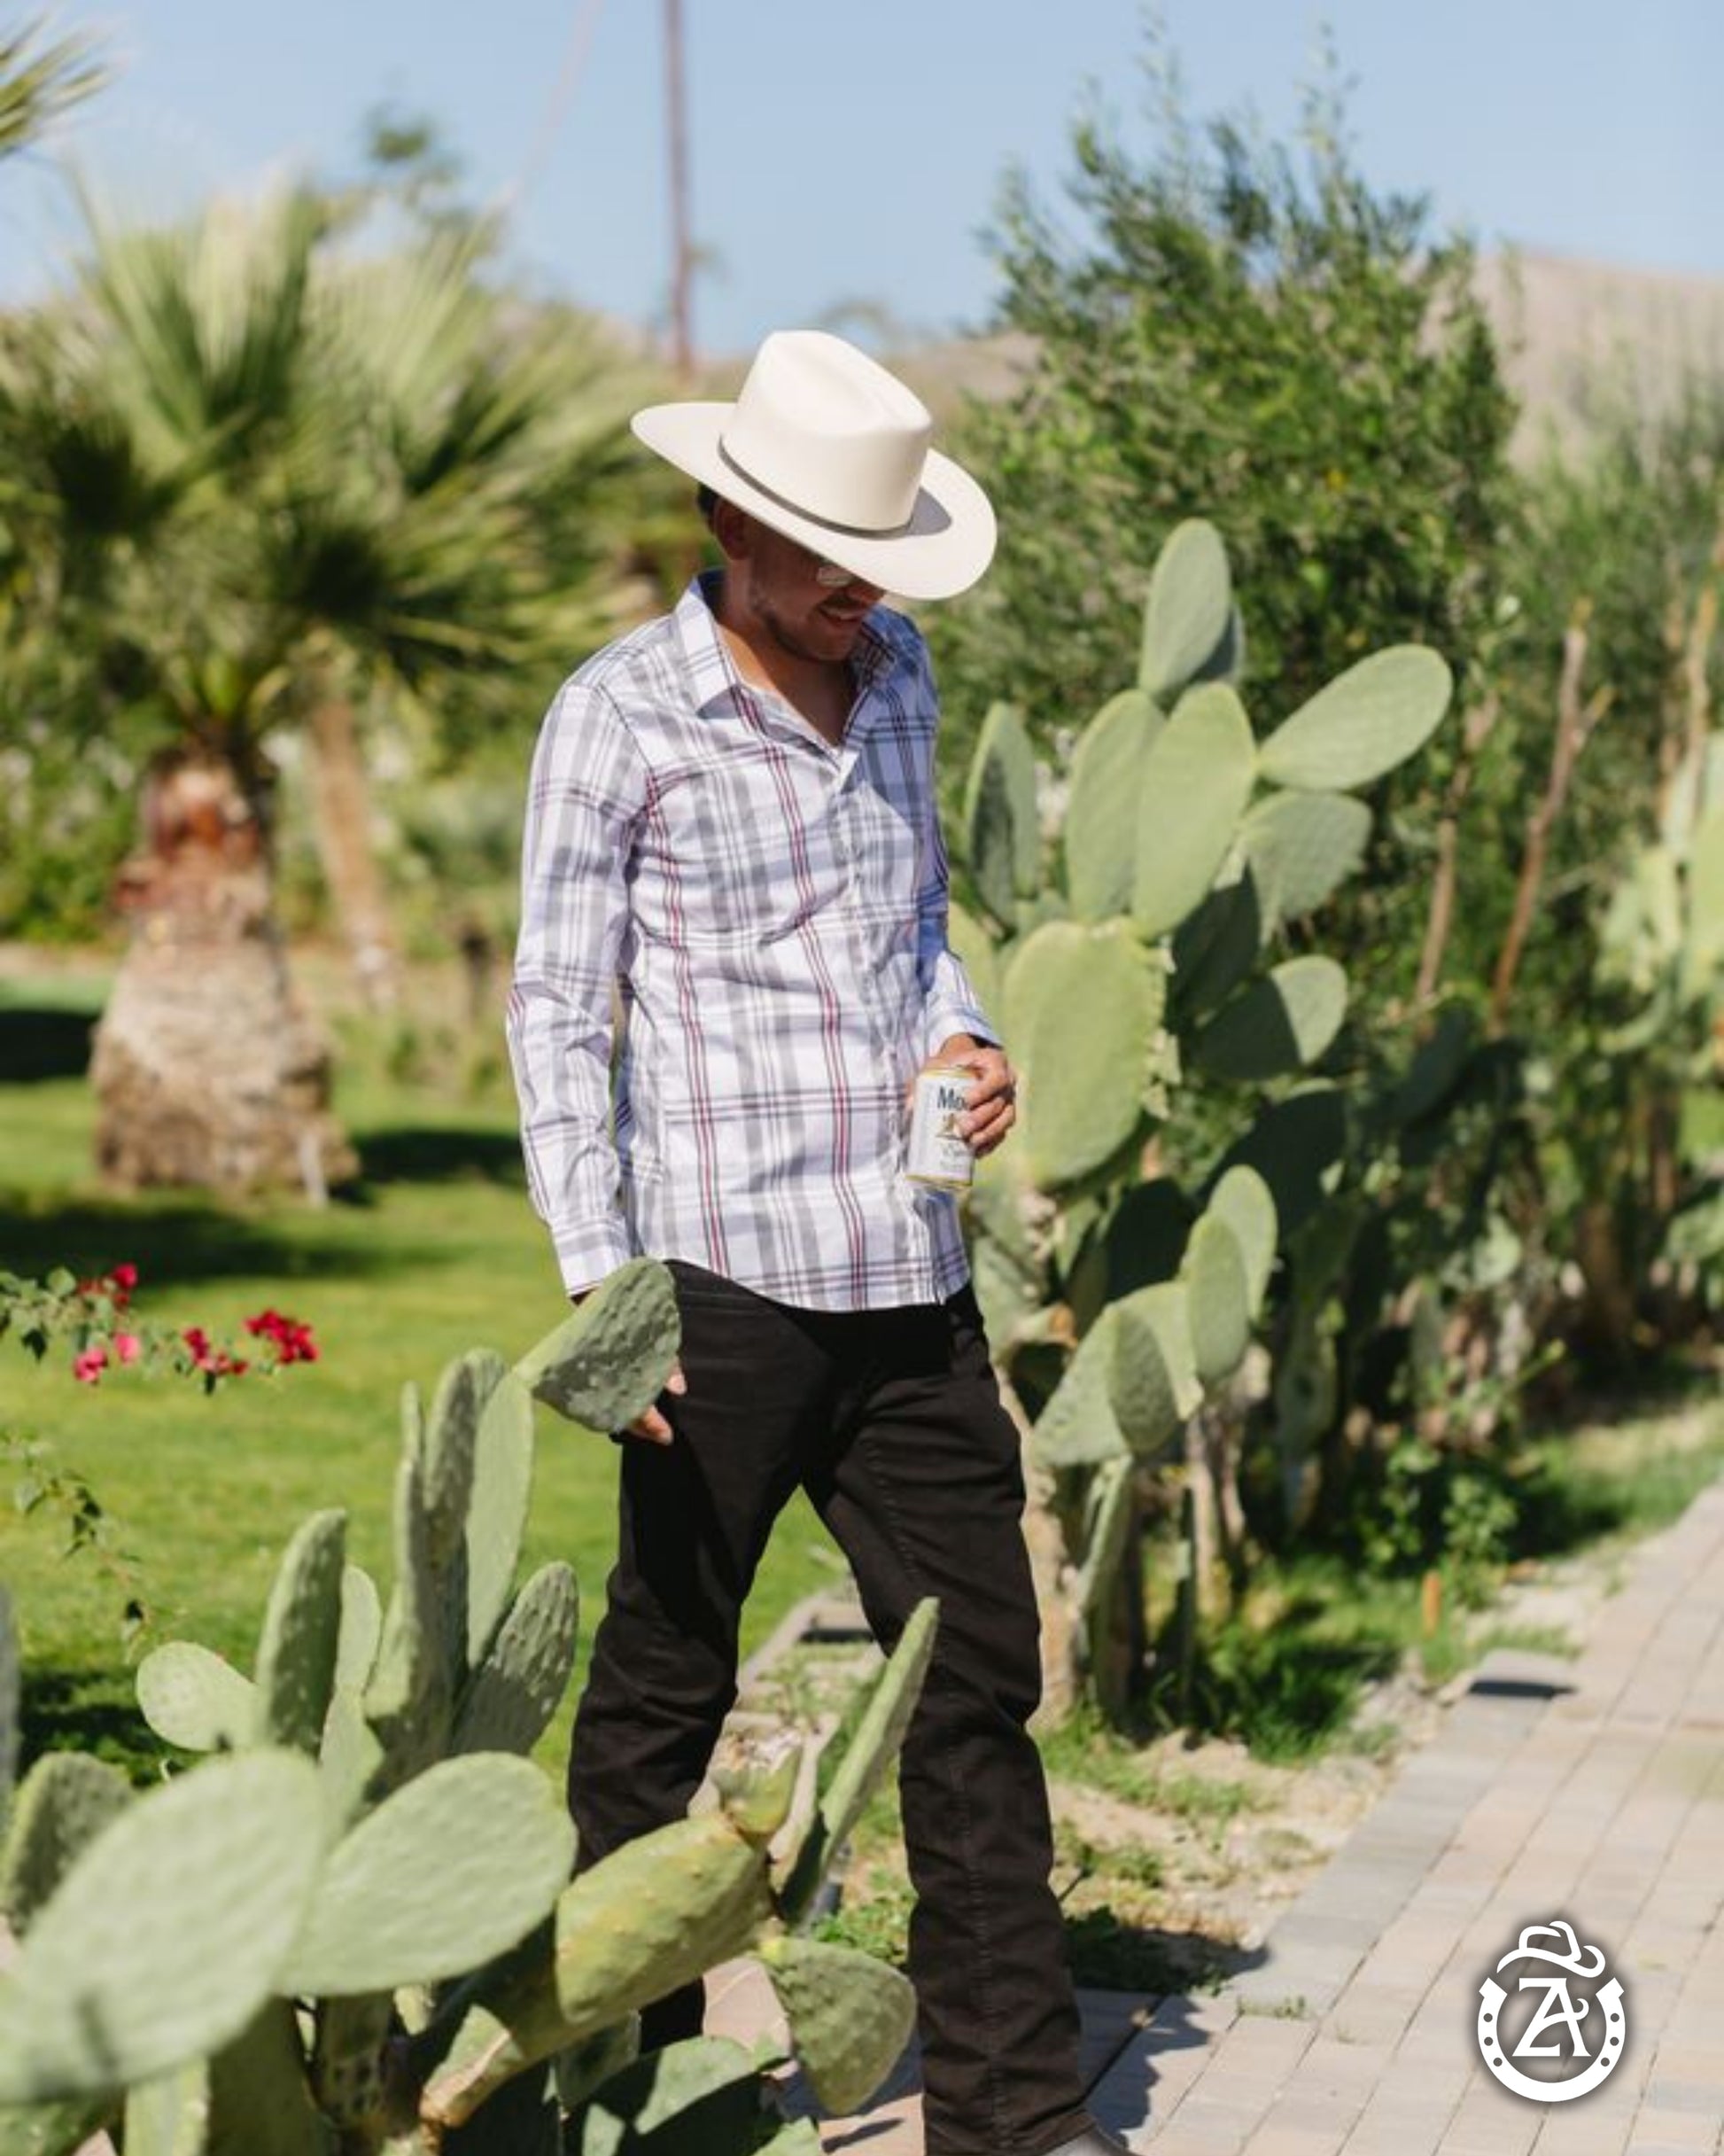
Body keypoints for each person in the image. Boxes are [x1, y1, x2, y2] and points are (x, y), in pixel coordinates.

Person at [507, 329, 1124, 2156]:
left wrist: (969, 1035)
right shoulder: (621, 715)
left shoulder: (900, 671)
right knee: (659, 1698)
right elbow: (557, 1008)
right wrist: (601, 1287)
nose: (865, 592)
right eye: (834, 559)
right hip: (715, 1289)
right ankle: (619, 2095)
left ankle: (1015, 2117)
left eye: (880, 559)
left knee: (975, 1686)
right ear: (728, 522)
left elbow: (914, 926)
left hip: (908, 1278)